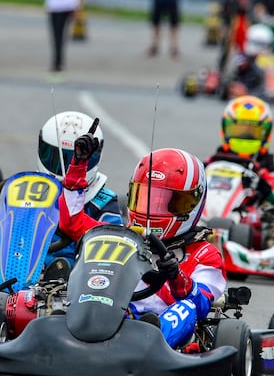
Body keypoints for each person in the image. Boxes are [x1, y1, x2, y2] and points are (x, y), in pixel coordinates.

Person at [58, 134, 225, 350]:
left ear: (190, 205)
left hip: (161, 328)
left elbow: (201, 305)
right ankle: (65, 329)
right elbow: (72, 221)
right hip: (114, 313)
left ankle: (149, 342)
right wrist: (78, 166)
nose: (154, 210)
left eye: (166, 202)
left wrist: (176, 277)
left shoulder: (204, 254)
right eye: (147, 197)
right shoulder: (119, 236)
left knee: (188, 308)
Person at [35, 111, 122, 265]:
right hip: (30, 268)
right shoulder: (30, 192)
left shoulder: (103, 202)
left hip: (77, 276)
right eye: (59, 158)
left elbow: (113, 246)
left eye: (73, 158)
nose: (65, 167)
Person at [206, 95, 274, 191]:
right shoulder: (212, 162)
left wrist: (261, 184)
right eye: (239, 130)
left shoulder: (271, 169)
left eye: (252, 132)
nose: (245, 136)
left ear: (266, 134)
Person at [217, 0, 259, 73]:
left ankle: (243, 70)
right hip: (232, 25)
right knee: (227, 51)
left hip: (243, 26)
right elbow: (225, 14)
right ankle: (223, 72)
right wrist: (225, 28)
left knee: (245, 51)